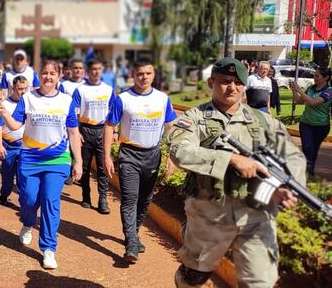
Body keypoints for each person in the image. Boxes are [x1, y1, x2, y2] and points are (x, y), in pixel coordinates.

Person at [168, 57, 305, 288]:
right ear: (212, 82)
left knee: (259, 283)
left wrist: (286, 185)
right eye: (225, 81)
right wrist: (231, 159)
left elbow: (293, 156)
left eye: (238, 82)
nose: (232, 87)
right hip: (209, 211)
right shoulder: (196, 118)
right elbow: (179, 151)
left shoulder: (263, 121)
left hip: (256, 213)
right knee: (194, 277)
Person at [0, 60, 83, 270]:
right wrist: (3, 110)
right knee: (29, 198)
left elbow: (73, 132)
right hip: (30, 159)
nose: (48, 77)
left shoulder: (66, 101)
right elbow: (15, 125)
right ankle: (27, 223)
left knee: (50, 201)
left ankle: (49, 248)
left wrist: (78, 160)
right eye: (44, 73)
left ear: (59, 75)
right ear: (39, 76)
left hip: (57, 160)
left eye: (52, 73)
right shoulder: (28, 98)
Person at [103, 58, 177, 262]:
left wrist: (172, 156)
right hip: (129, 155)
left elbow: (171, 127)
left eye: (148, 73)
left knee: (145, 200)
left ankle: (132, 234)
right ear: (133, 75)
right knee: (129, 198)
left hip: (153, 155)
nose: (144, 77)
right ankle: (132, 242)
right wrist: (107, 156)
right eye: (140, 73)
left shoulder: (163, 99)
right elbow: (110, 126)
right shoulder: (123, 99)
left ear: (154, 75)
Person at [72, 59, 115, 213]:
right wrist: (77, 131)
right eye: (93, 69)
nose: (96, 72)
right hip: (85, 130)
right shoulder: (80, 90)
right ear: (87, 72)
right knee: (84, 166)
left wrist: (114, 132)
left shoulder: (109, 90)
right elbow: (74, 113)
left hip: (103, 131)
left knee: (103, 167)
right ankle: (86, 196)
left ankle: (103, 199)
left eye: (99, 69)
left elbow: (114, 114)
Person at [289, 67, 332, 176]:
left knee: (313, 149)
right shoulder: (311, 88)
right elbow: (299, 101)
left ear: (326, 77)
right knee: (307, 147)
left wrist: (299, 90)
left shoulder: (329, 91)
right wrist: (294, 91)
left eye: (318, 76)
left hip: (321, 126)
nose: (315, 78)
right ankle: (305, 172)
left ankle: (309, 172)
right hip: (306, 124)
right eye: (314, 75)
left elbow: (313, 102)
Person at [0, 75, 28, 205]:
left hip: (25, 147)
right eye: (20, 88)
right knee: (7, 176)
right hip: (9, 147)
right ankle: (4, 194)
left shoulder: (29, 103)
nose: (23, 91)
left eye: (25, 88)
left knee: (23, 176)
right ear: (13, 88)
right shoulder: (4, 104)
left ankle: (23, 202)